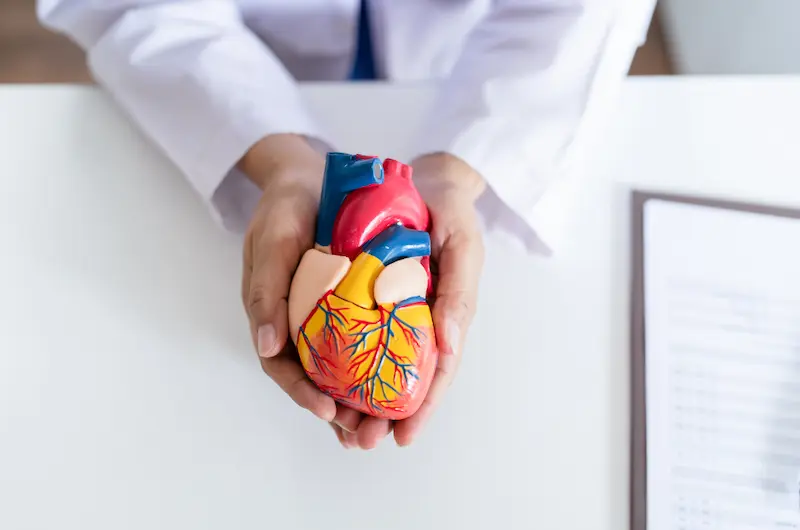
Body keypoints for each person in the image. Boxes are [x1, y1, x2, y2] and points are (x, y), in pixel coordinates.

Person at [38, 0, 656, 450]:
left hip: (459, 59)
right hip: (248, 55)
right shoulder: (369, 275)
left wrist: (464, 167)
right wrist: (277, 159)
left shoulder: (362, 280)